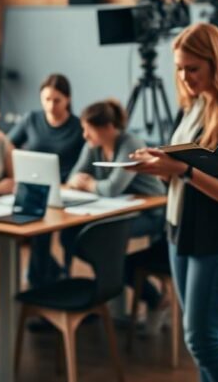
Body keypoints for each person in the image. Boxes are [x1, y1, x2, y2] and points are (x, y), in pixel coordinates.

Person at [132, 22, 218, 382]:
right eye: (179, 69)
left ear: (216, 64)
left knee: (202, 341)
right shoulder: (192, 106)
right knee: (198, 344)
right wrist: (159, 166)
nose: (185, 78)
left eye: (193, 69)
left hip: (216, 239)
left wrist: (183, 172)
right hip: (180, 231)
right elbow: (181, 171)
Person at [66, 100, 168, 331]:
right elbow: (74, 177)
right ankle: (113, 296)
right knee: (73, 237)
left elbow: (113, 187)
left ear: (106, 128)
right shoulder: (94, 144)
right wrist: (88, 183)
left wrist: (90, 183)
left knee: (104, 242)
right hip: (115, 211)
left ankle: (152, 298)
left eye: (88, 130)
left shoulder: (130, 143)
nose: (84, 136)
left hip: (150, 214)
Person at [8, 74, 85, 288]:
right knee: (34, 229)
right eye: (46, 99)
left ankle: (41, 280)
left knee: (49, 229)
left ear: (68, 99)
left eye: (57, 100)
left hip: (66, 191)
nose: (51, 105)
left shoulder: (78, 127)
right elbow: (8, 146)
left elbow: (86, 161)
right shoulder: (31, 119)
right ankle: (43, 278)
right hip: (33, 189)